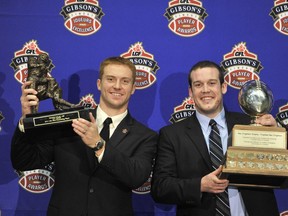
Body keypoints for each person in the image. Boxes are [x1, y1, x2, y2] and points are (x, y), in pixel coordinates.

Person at [11, 56, 158, 216]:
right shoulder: (69, 122)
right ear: (99, 84)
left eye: (125, 81)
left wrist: (99, 145)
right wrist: (26, 120)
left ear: (133, 88)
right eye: (110, 79)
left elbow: (136, 177)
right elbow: (25, 161)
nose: (117, 86)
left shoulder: (145, 136)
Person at [151, 60, 279, 216]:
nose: (205, 90)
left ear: (223, 87)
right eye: (198, 85)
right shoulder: (172, 135)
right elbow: (160, 188)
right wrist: (199, 185)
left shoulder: (251, 125)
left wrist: (277, 139)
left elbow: (281, 176)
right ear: (190, 92)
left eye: (212, 83)